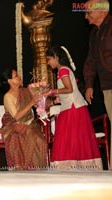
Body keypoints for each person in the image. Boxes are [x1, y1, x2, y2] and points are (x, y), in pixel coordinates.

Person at [46, 45, 103, 170]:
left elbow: (69, 88)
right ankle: (76, 166)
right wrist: (57, 98)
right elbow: (69, 91)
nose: (49, 63)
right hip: (71, 106)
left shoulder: (63, 70)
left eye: (49, 59)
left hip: (73, 108)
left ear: (56, 57)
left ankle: (72, 167)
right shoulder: (63, 70)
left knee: (71, 139)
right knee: (74, 139)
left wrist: (52, 91)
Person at [0, 68, 48, 170]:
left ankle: (36, 170)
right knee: (16, 138)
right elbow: (16, 117)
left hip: (29, 124)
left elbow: (39, 105)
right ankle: (20, 168)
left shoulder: (26, 91)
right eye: (16, 76)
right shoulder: (7, 96)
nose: (19, 77)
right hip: (13, 126)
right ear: (9, 81)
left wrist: (51, 101)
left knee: (39, 140)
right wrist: (31, 102)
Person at [83, 0, 112, 168]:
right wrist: (89, 84)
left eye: (88, 12)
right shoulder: (94, 34)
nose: (86, 16)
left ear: (101, 11)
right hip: (107, 86)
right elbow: (90, 61)